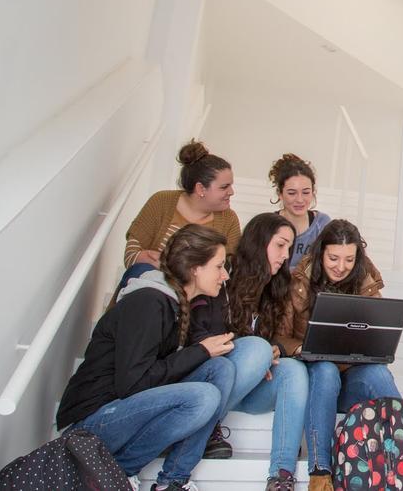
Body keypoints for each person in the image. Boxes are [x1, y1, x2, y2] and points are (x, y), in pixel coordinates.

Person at [57, 225, 237, 491]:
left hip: (122, 410)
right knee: (203, 396)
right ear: (194, 268)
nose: (224, 276)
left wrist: (203, 352)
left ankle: (173, 480)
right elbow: (132, 384)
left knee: (220, 368)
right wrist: (200, 351)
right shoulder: (148, 303)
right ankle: (120, 469)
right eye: (219, 266)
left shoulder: (176, 306)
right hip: (89, 423)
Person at [274, 220, 398, 491]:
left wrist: (375, 347)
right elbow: (279, 336)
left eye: (349, 260)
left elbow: (377, 335)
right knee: (326, 367)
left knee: (379, 373)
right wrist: (303, 349)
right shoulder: (298, 281)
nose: (341, 267)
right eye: (333, 258)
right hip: (316, 381)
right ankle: (320, 469)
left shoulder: (366, 283)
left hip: (350, 378)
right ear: (320, 254)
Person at [189, 213, 309, 491]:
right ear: (259, 241)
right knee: (257, 348)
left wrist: (272, 353)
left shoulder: (274, 289)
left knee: (294, 369)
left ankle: (282, 473)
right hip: (211, 382)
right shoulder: (222, 275)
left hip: (248, 386)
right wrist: (258, 353)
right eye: (280, 245)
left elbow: (271, 342)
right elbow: (202, 337)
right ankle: (203, 429)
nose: (285, 255)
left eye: (290, 248)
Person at [118, 140, 241, 292]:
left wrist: (170, 267)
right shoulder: (162, 201)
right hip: (147, 289)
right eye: (224, 187)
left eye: (231, 185)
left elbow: (228, 267)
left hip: (195, 302)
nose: (231, 192)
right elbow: (133, 250)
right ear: (200, 188)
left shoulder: (229, 220)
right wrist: (139, 258)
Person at [268, 153, 331, 270]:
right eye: (292, 193)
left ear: (313, 192)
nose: (300, 200)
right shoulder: (267, 226)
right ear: (280, 194)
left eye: (306, 192)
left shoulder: (322, 224)